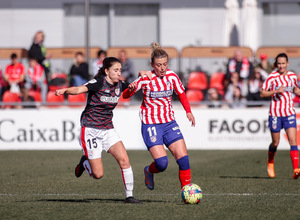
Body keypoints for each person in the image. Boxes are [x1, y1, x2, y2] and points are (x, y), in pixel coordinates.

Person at [55, 57, 141, 203]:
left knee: (124, 160)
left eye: (120, 70)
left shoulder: (120, 84)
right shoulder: (98, 82)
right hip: (91, 129)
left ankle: (129, 196)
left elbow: (136, 84)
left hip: (108, 129)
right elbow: (79, 89)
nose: (119, 73)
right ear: (107, 71)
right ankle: (84, 163)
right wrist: (65, 90)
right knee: (98, 174)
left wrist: (144, 74)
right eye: (116, 70)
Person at [123, 42, 196, 190]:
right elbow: (125, 95)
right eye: (158, 65)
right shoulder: (146, 78)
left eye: (165, 64)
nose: (162, 68)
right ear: (152, 64)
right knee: (162, 164)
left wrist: (188, 111)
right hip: (151, 124)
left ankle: (186, 191)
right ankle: (148, 170)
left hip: (169, 123)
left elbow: (181, 94)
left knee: (184, 160)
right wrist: (130, 89)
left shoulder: (172, 76)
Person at [260, 53, 300, 179]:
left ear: (287, 63)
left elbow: (295, 89)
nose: (281, 66)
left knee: (293, 141)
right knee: (275, 143)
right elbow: (262, 93)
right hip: (276, 114)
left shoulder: (292, 76)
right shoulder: (272, 77)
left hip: (289, 112)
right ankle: (270, 162)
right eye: (279, 63)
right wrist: (276, 91)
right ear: (276, 64)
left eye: (283, 63)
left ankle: (296, 169)